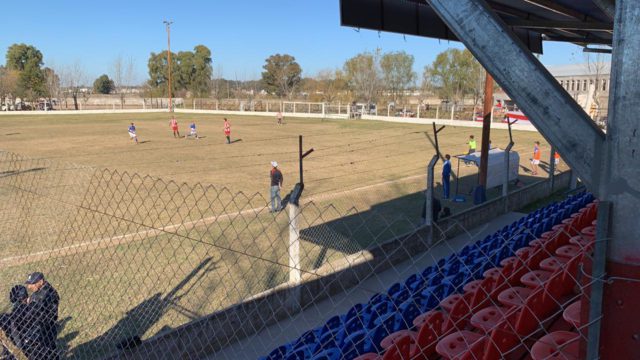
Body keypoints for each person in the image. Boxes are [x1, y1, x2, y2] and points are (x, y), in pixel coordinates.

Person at [25, 272, 59, 359]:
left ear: (40, 281)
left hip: (44, 328)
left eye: (32, 284)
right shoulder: (42, 291)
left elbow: (34, 312)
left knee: (44, 352)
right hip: (45, 327)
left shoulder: (45, 295)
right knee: (51, 351)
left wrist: (31, 302)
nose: (29, 287)